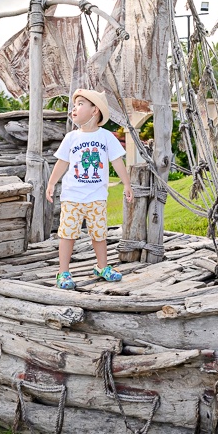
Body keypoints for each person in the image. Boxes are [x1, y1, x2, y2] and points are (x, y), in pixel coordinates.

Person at [46, 89, 133, 290]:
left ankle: (102, 267)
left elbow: (117, 162)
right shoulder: (71, 137)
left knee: (99, 234)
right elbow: (62, 163)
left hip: (96, 196)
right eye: (74, 105)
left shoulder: (106, 137)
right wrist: (51, 183)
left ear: (95, 111)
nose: (74, 108)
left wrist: (127, 184)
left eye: (80, 104)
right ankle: (63, 272)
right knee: (67, 234)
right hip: (72, 196)